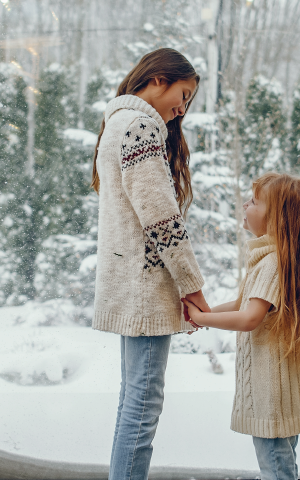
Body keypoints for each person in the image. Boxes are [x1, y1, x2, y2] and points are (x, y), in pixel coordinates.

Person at [90, 48, 211, 480]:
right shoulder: (140, 127)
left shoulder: (117, 123)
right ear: (158, 78)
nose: (183, 109)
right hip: (144, 290)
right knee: (142, 407)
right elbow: (162, 219)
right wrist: (192, 287)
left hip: (129, 284)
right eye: (183, 94)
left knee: (133, 403)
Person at [183, 172, 300, 480]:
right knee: (281, 468)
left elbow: (249, 318)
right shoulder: (280, 259)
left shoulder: (272, 264)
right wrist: (204, 313)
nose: (245, 205)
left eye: (254, 201)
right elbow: (244, 304)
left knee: (276, 471)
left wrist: (201, 319)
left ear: (277, 218)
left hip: (272, 398)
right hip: (280, 396)